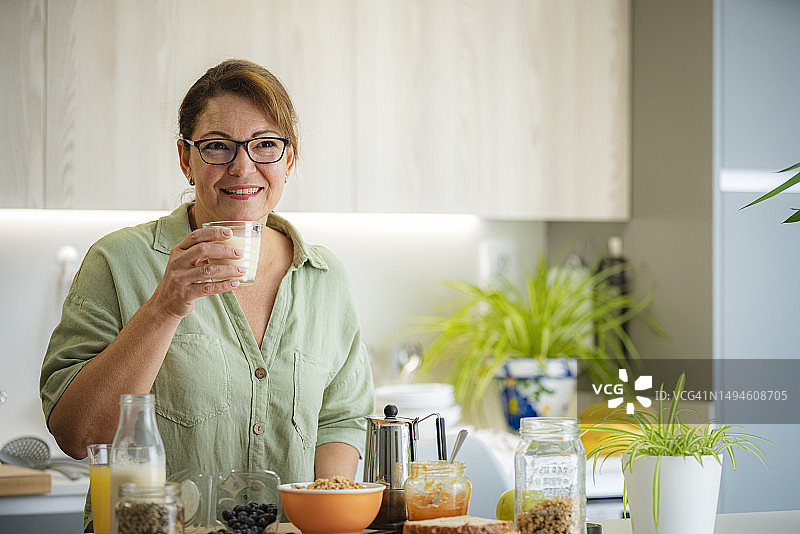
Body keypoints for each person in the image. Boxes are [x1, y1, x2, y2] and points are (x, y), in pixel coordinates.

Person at [40, 59, 375, 490]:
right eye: (218, 146)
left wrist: (325, 507)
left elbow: (341, 419)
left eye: (265, 144)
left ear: (288, 160)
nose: (242, 167)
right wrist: (164, 309)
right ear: (186, 158)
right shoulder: (117, 261)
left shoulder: (325, 278)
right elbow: (77, 436)